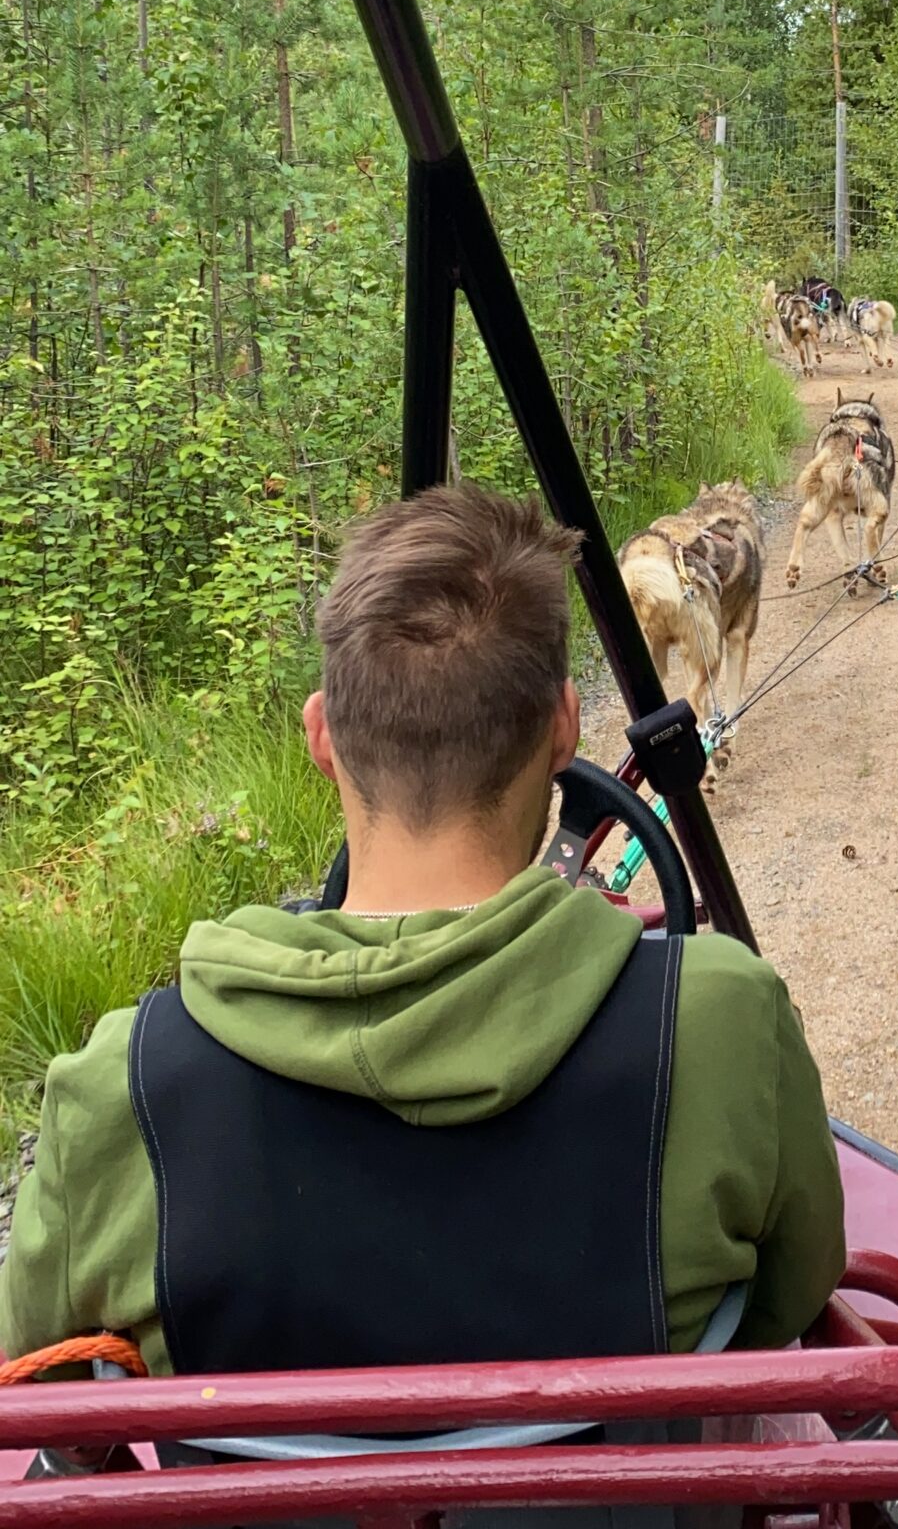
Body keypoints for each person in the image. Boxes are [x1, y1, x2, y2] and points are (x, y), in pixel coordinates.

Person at [0, 483, 846, 1380]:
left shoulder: (121, 1085)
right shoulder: (721, 1019)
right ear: (565, 727)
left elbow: (39, 1374)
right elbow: (792, 1293)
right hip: (634, 1522)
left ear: (321, 737)